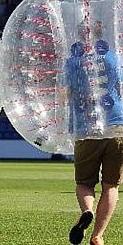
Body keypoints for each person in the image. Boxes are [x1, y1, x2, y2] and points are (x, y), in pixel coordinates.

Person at [66, 21, 123, 245]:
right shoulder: (113, 57)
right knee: (111, 185)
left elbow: (69, 94)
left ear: (79, 35)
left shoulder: (72, 61)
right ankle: (97, 235)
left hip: (86, 127)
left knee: (84, 183)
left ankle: (87, 210)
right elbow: (119, 88)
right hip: (117, 124)